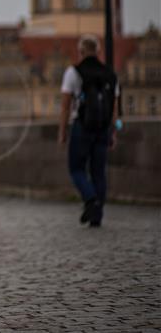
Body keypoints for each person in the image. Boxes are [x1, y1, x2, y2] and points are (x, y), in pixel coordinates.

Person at [58, 34, 119, 228]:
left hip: (82, 126)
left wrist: (62, 131)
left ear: (81, 52)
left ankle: (90, 199)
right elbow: (114, 108)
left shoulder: (74, 72)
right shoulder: (110, 73)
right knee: (98, 172)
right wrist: (114, 131)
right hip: (103, 128)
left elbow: (65, 106)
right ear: (99, 51)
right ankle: (97, 215)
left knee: (76, 169)